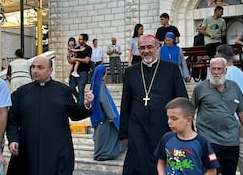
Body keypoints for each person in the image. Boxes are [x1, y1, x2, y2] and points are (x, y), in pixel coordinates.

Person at [6, 56, 94, 175]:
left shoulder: (63, 91)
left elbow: (75, 114)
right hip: (28, 150)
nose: (35, 70)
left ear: (50, 70)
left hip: (56, 151)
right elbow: (12, 120)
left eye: (40, 68)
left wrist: (87, 105)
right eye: (33, 67)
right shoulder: (21, 93)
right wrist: (13, 139)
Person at [119, 34, 188, 175]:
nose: (146, 51)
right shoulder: (131, 72)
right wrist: (124, 133)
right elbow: (125, 103)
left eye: (150, 47)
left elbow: (182, 101)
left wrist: (185, 129)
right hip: (137, 129)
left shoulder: (171, 69)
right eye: (142, 48)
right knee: (138, 166)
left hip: (164, 128)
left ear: (158, 47)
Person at [191, 57, 243, 175]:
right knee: (211, 172)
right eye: (213, 69)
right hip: (208, 140)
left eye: (219, 69)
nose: (216, 72)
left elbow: (242, 112)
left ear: (225, 71)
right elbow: (190, 111)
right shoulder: (200, 88)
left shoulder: (234, 87)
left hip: (231, 140)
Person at [154, 97, 219, 175]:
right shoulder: (167, 138)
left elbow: (212, 171)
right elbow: (161, 162)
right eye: (168, 118)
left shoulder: (202, 142)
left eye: (174, 119)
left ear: (188, 120)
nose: (169, 122)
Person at [216, 44, 243, 175]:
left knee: (237, 153)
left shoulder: (225, 74)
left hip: (229, 119)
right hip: (239, 116)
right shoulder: (240, 73)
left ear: (221, 56)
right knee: (240, 150)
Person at [90, 65, 126, 161]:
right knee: (108, 134)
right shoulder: (101, 85)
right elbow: (104, 100)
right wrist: (112, 115)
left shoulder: (94, 84)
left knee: (101, 136)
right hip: (104, 115)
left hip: (98, 115)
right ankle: (102, 154)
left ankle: (100, 153)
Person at [69, 33, 92, 104]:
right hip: (74, 72)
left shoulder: (88, 49)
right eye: (78, 39)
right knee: (71, 87)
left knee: (81, 89)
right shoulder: (76, 48)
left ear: (85, 40)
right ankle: (79, 98)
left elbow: (87, 60)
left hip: (83, 72)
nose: (79, 40)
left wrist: (76, 59)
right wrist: (71, 60)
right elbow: (71, 59)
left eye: (80, 39)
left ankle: (81, 106)